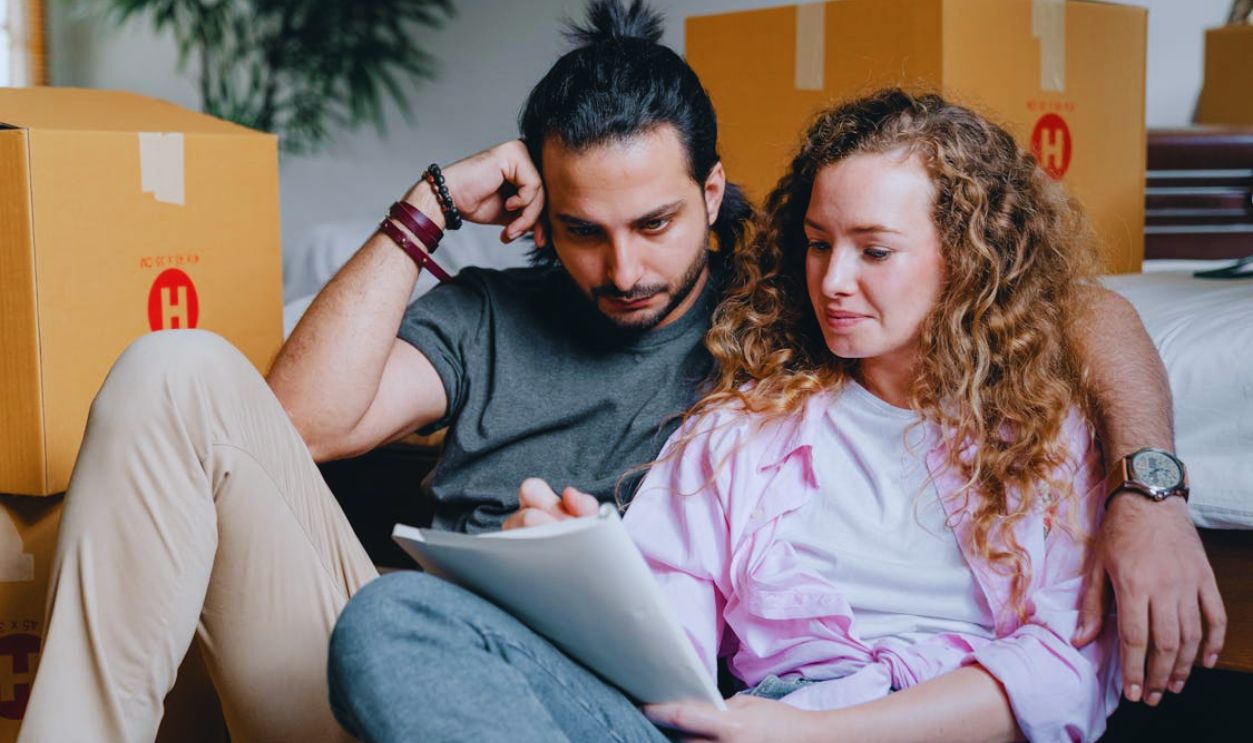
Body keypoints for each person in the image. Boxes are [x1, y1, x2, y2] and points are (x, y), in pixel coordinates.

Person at [19, 2, 1219, 741]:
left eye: (653, 224)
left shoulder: (786, 296)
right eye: (583, 230)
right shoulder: (504, 312)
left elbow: (1069, 301)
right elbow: (291, 429)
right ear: (540, 209)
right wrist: (428, 207)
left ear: (712, 193)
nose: (622, 266)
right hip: (423, 652)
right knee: (180, 370)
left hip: (603, 697)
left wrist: (1149, 488)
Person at [329, 88, 1118, 743]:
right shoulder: (744, 420)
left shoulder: (1050, 429)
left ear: (969, 256)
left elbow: (1063, 673)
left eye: (873, 250)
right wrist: (578, 577)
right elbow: (670, 650)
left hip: (887, 728)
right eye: (817, 244)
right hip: (728, 723)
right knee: (394, 615)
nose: (834, 280)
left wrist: (807, 733)